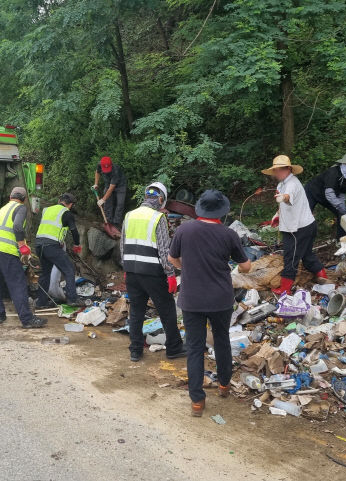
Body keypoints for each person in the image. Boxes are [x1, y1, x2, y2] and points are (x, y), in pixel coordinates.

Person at [168, 190, 251, 417]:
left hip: (192, 299)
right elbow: (246, 267)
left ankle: (197, 401)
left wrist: (187, 267)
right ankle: (224, 385)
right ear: (222, 212)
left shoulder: (184, 230)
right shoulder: (229, 234)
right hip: (220, 299)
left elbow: (172, 258)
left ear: (200, 209)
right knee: (221, 340)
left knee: (195, 348)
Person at [121, 182, 186, 363]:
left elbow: (123, 245)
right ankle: (174, 348)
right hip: (152, 272)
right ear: (160, 199)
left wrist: (125, 268)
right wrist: (171, 275)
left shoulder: (129, 215)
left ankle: (135, 350)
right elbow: (165, 250)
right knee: (166, 309)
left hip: (132, 271)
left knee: (136, 311)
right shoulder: (158, 218)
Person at [263, 155, 329, 296]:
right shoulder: (282, 184)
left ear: (288, 169)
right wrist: (278, 216)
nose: (277, 173)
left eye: (280, 170)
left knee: (290, 257)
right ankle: (321, 274)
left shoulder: (292, 184)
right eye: (275, 170)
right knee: (306, 254)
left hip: (298, 229)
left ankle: (285, 288)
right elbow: (284, 204)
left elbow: (287, 197)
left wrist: (283, 198)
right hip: (306, 225)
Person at [0, 187, 47, 329]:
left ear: (10, 197)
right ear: (24, 200)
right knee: (18, 283)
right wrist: (22, 246)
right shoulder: (20, 208)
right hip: (6, 250)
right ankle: (27, 319)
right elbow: (18, 227)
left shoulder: (3, 208)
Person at [34, 193, 87, 308]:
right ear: (71, 205)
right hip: (51, 246)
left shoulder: (46, 210)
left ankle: (41, 302)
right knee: (69, 269)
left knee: (45, 273)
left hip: (39, 245)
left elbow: (50, 228)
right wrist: (77, 245)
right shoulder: (66, 213)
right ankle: (72, 299)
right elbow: (74, 232)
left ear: (59, 200)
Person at [305, 153, 346, 240]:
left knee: (342, 214)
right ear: (342, 163)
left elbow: (342, 194)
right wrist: (339, 205)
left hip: (328, 197)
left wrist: (342, 207)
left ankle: (341, 239)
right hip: (312, 191)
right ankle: (302, 239)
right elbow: (329, 193)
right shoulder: (333, 172)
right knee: (305, 215)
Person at [93, 156, 127, 229]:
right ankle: (108, 222)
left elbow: (111, 189)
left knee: (120, 204)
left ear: (111, 165)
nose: (106, 171)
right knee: (108, 202)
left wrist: (102, 199)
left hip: (120, 185)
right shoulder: (100, 164)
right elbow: (97, 172)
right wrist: (96, 183)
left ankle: (116, 224)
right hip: (108, 184)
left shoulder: (116, 170)